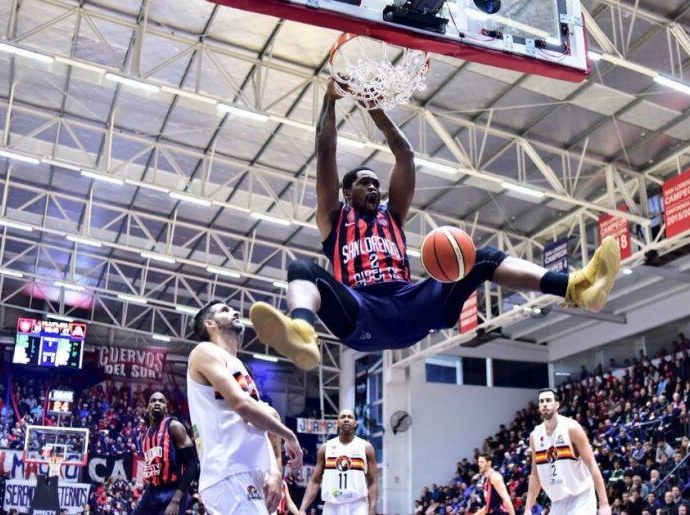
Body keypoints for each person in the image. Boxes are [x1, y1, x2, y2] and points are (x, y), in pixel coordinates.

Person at [250, 80, 621, 370]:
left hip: (411, 304)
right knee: (302, 269)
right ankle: (301, 330)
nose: (375, 186)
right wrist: (331, 99)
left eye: (377, 182)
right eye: (366, 182)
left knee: (483, 257)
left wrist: (373, 105)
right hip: (362, 311)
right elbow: (325, 148)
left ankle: (576, 287)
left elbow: (405, 154)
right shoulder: (333, 219)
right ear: (347, 193)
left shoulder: (392, 216)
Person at [188, 300, 303, 514]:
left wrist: (274, 471)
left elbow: (258, 423)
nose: (235, 311)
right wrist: (290, 436)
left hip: (249, 472)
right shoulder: (204, 351)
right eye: (225, 310)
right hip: (228, 471)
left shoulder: (238, 365)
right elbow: (241, 404)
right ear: (210, 324)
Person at [524, 389, 611, 515]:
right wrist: (527, 508)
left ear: (557, 404)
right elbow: (535, 474)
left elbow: (592, 465)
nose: (544, 404)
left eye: (548, 400)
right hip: (557, 501)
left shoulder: (572, 428)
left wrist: (604, 503)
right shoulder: (535, 436)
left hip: (581, 497)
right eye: (541, 401)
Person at [299, 409, 377, 515]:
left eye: (349, 417)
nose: (346, 420)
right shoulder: (325, 448)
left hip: (358, 506)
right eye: (343, 417)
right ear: (338, 423)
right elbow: (315, 481)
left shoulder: (366, 448)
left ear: (355, 423)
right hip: (332, 506)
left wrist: (372, 509)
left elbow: (372, 482)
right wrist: (303, 508)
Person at [134, 391, 199, 515]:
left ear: (166, 408)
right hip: (152, 490)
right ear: (147, 408)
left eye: (161, 401)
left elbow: (192, 465)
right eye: (153, 401)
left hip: (173, 489)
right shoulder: (145, 436)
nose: (157, 403)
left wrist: (176, 501)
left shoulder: (174, 427)